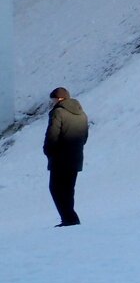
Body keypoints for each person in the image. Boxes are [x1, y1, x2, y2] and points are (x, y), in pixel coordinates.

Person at [42, 87, 89, 227]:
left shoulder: (58, 112)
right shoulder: (82, 114)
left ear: (59, 99)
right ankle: (70, 218)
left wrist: (48, 151)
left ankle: (69, 218)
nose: (52, 103)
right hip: (76, 157)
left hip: (60, 159)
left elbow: (52, 136)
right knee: (68, 189)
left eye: (53, 99)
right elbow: (84, 137)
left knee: (55, 188)